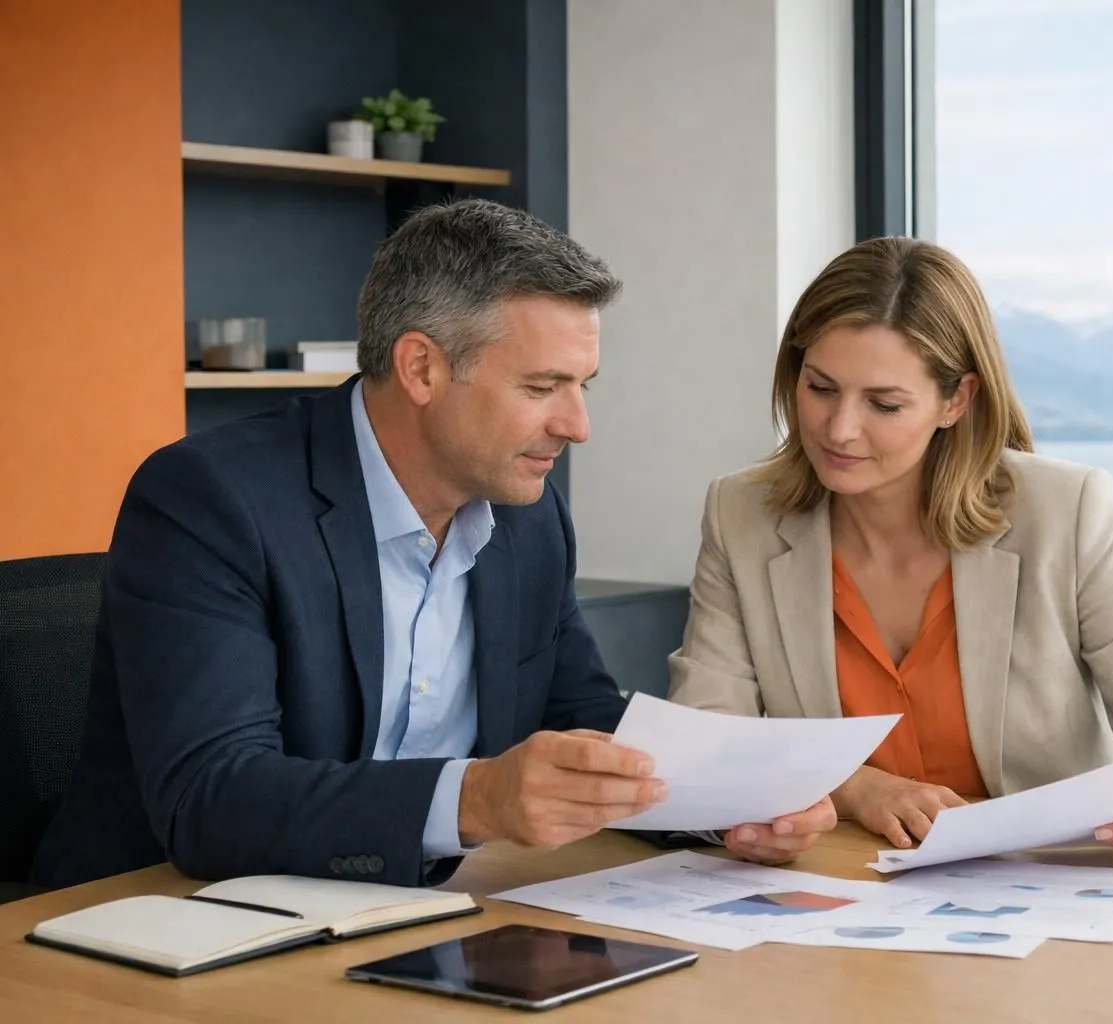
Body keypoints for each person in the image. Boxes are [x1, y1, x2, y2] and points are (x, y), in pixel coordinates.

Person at [32, 199, 830, 890]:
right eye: (542, 387)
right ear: (421, 367)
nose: (577, 425)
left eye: (582, 388)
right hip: (162, 923)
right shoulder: (210, 501)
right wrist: (477, 799)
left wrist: (729, 800)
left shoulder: (527, 515)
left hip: (420, 908)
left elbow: (579, 714)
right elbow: (213, 798)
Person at [668, 236, 1113, 865]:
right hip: (842, 894)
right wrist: (856, 789)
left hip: (1053, 896)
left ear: (955, 400)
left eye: (884, 403)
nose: (839, 428)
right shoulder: (741, 515)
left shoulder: (1065, 513)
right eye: (821, 388)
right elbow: (704, 745)